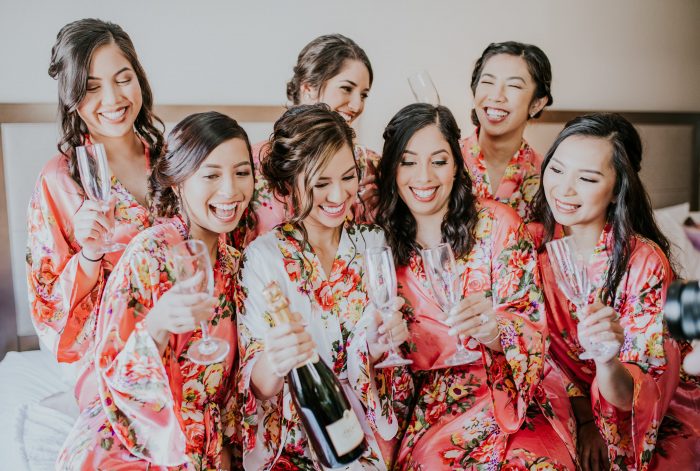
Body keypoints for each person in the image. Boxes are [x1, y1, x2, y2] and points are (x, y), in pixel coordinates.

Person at [375, 103, 576, 469]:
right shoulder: (379, 247)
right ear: (391, 169)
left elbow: (532, 327)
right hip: (438, 404)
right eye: (408, 162)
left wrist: (496, 332)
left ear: (456, 165)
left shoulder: (499, 224)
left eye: (438, 160)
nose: (424, 177)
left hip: (517, 391)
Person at [57, 112, 255, 470]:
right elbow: (112, 369)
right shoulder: (149, 254)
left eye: (242, 173)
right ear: (178, 183)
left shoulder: (238, 264)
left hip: (204, 440)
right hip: (133, 433)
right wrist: (158, 324)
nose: (230, 191)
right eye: (211, 175)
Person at [236, 104, 411, 470]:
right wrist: (278, 357)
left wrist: (379, 345)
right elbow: (259, 386)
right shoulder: (262, 258)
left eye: (348, 177)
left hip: (366, 427)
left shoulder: (373, 244)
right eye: (320, 183)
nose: (338, 196)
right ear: (288, 184)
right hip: (295, 434)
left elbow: (388, 362)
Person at [533, 113, 699, 470]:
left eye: (588, 178)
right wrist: (586, 420)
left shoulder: (645, 264)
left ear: (616, 190)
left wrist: (607, 363)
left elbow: (641, 392)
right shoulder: (530, 246)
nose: (564, 189)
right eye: (557, 169)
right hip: (563, 405)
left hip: (648, 410)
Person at [26, 18, 165, 408]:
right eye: (91, 88)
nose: (113, 99)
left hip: (187, 330)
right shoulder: (60, 179)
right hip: (111, 346)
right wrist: (89, 255)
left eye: (123, 79)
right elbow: (47, 307)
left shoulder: (173, 161)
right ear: (72, 98)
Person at [248, 34, 379, 242]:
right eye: (347, 88)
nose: (357, 106)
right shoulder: (252, 166)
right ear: (308, 88)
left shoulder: (370, 165)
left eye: (363, 95)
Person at [460, 41, 553, 224]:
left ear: (537, 104)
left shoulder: (548, 177)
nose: (496, 96)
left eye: (514, 86)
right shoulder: (446, 162)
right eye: (487, 82)